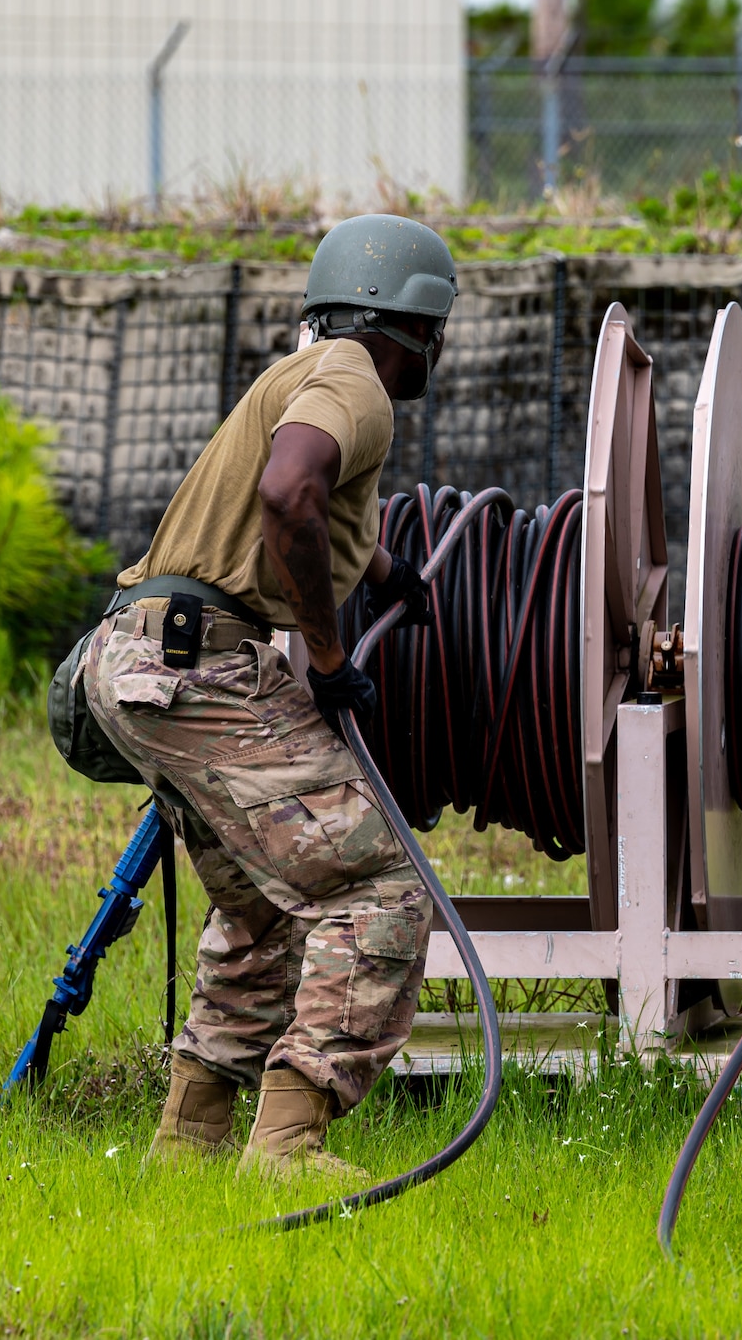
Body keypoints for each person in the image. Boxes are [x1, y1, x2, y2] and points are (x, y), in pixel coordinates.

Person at [84, 214, 455, 1175]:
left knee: (258, 909)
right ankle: (288, 1146)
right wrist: (327, 658)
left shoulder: (300, 373)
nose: (438, 349)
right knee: (376, 891)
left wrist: (377, 563)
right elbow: (289, 491)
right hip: (205, 665)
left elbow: (300, 498)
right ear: (407, 323)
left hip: (139, 658)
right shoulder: (356, 380)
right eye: (437, 325)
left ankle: (187, 1143)